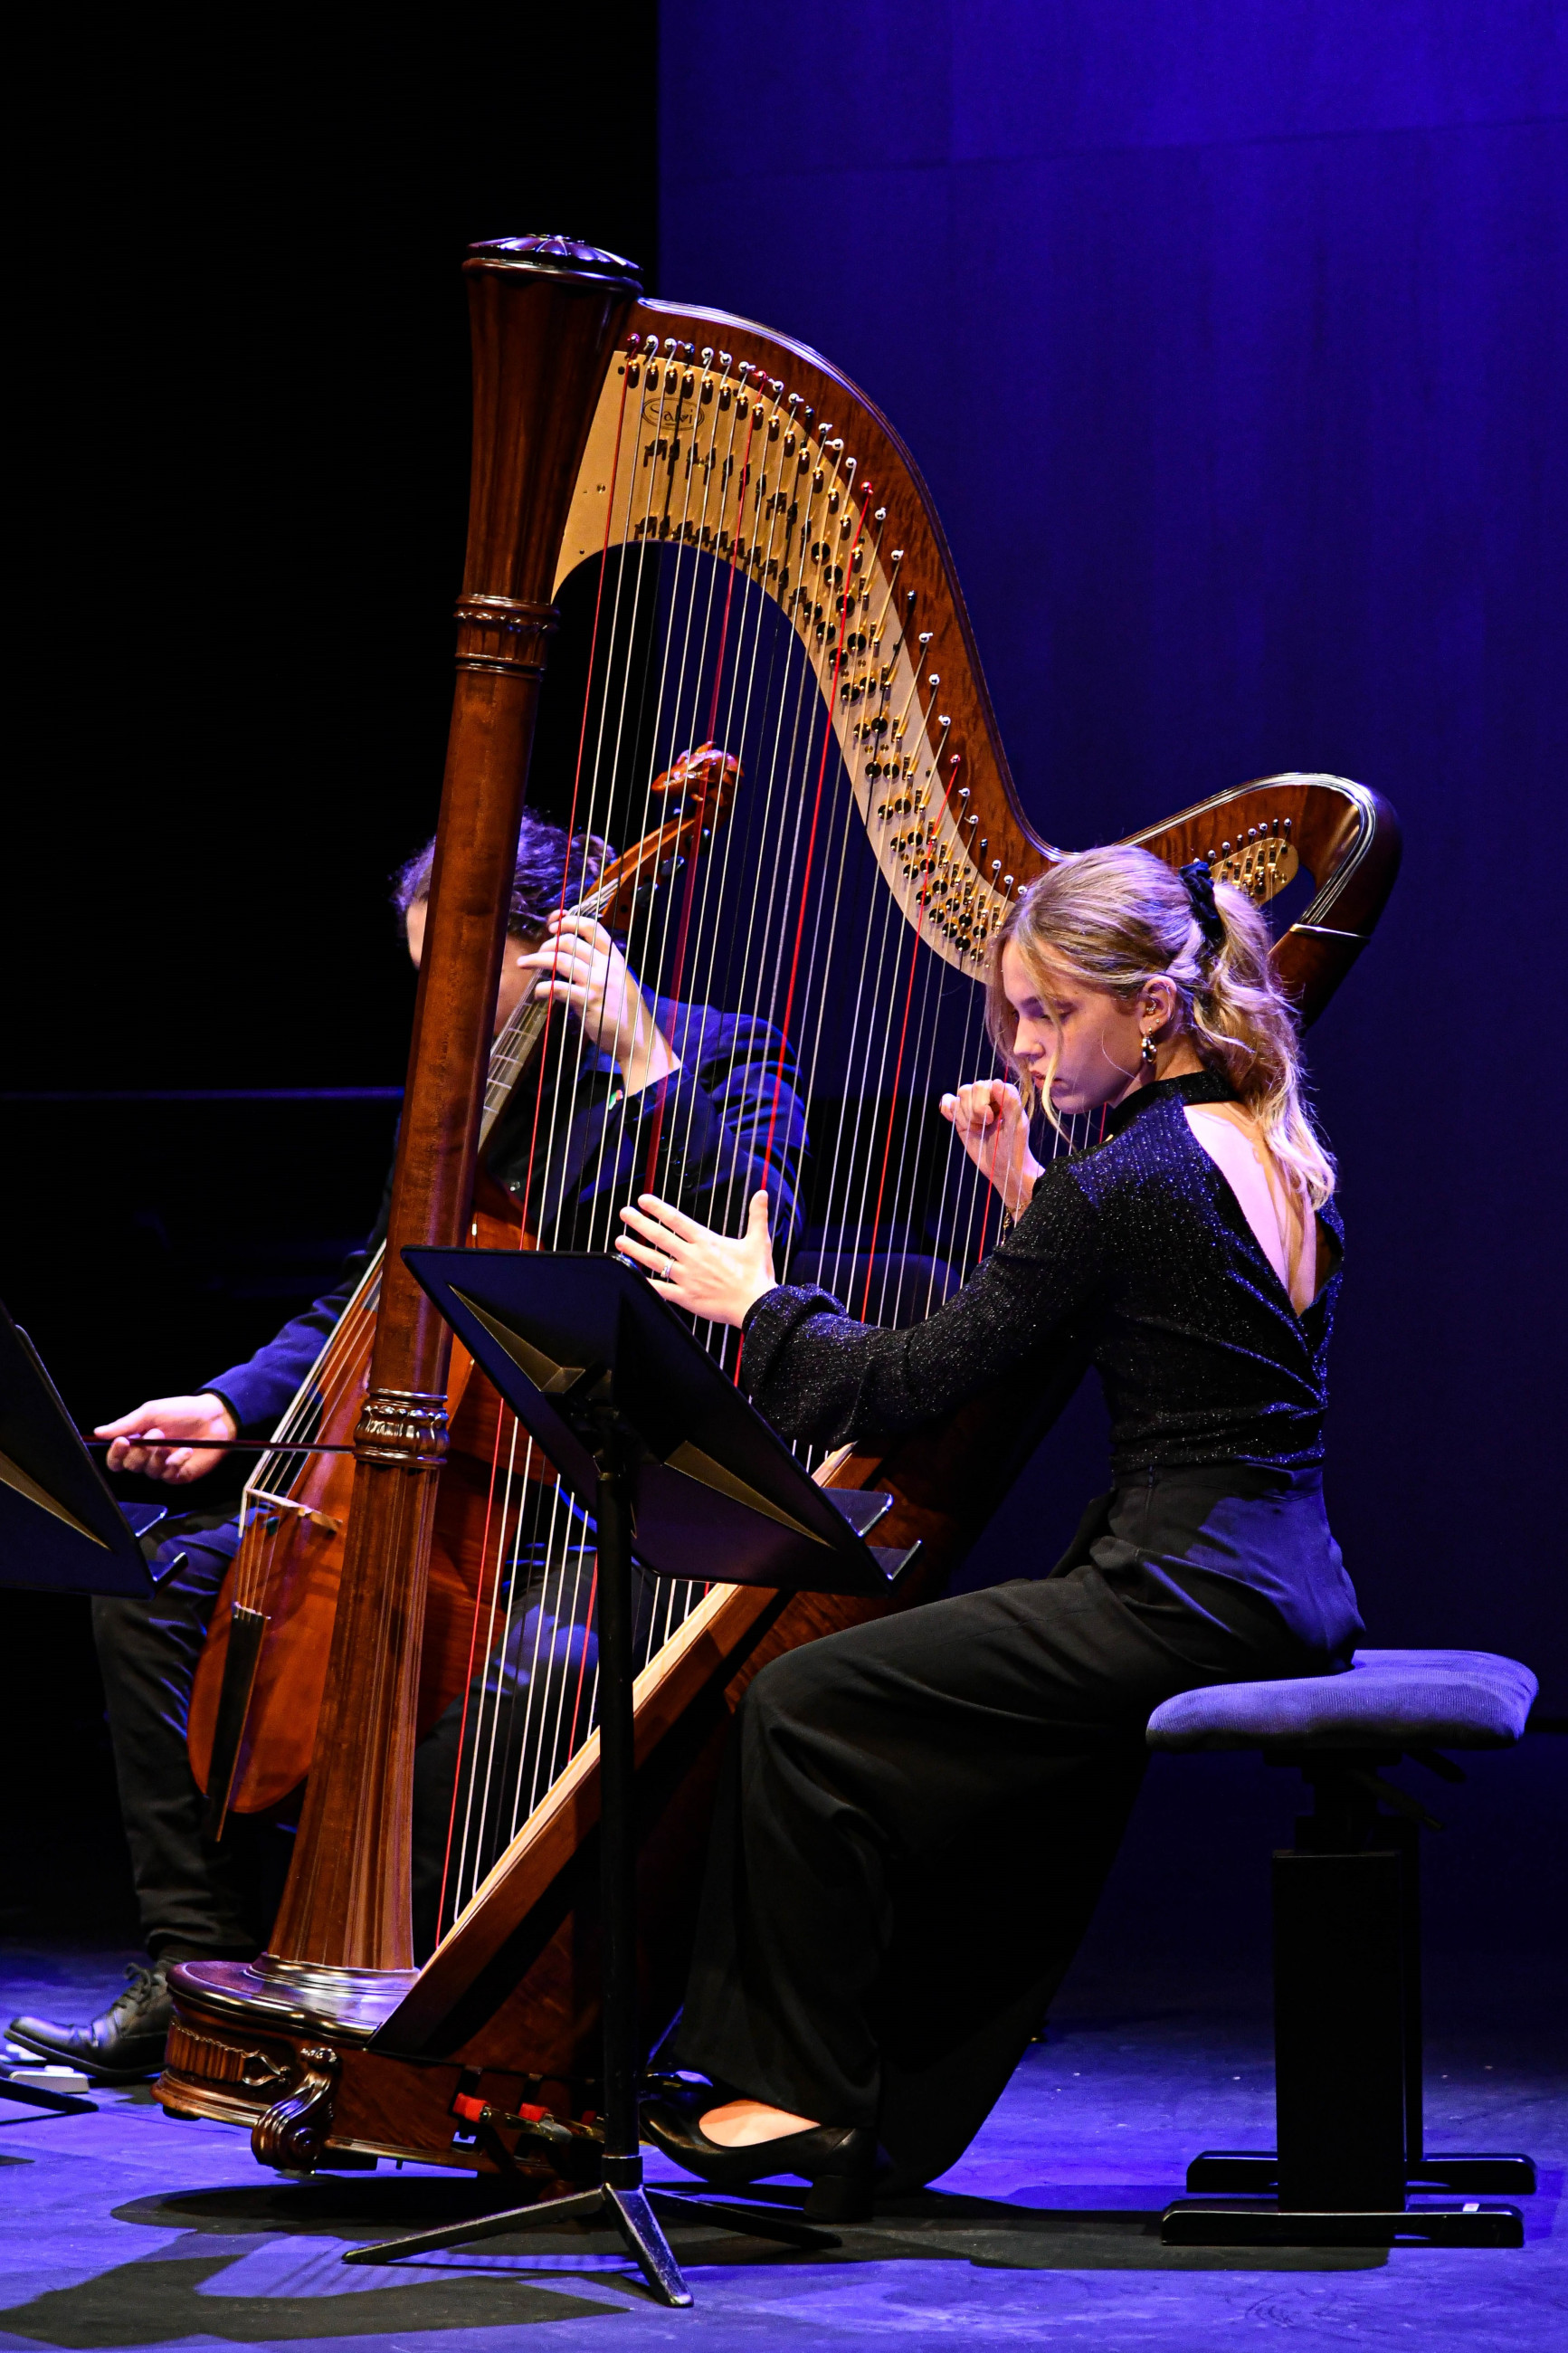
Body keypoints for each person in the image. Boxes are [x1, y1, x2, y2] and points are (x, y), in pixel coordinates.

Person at [615, 843, 1363, 2219]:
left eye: (1052, 1011)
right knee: (951, 1768)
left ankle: (791, 2085)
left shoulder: (1122, 1183)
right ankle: (870, 2108)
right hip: (1281, 1580)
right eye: (1013, 1010)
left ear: (1152, 1006)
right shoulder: (1257, 1145)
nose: (1023, 1044)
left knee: (802, 1703)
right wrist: (1028, 1193)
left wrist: (754, 1303)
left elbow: (897, 1385)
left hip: (1179, 1590)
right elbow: (1176, 1323)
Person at [8, 809, 805, 2081]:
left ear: (563, 944)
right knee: (153, 1594)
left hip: (590, 1514)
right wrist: (229, 1408)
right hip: (426, 1486)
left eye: (466, 974)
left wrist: (642, 1058)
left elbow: (748, 1266)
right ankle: (191, 1966)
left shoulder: (718, 1055)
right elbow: (370, 1292)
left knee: (519, 1684)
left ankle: (390, 2002)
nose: (443, 1010)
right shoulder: (455, 1096)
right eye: (426, 976)